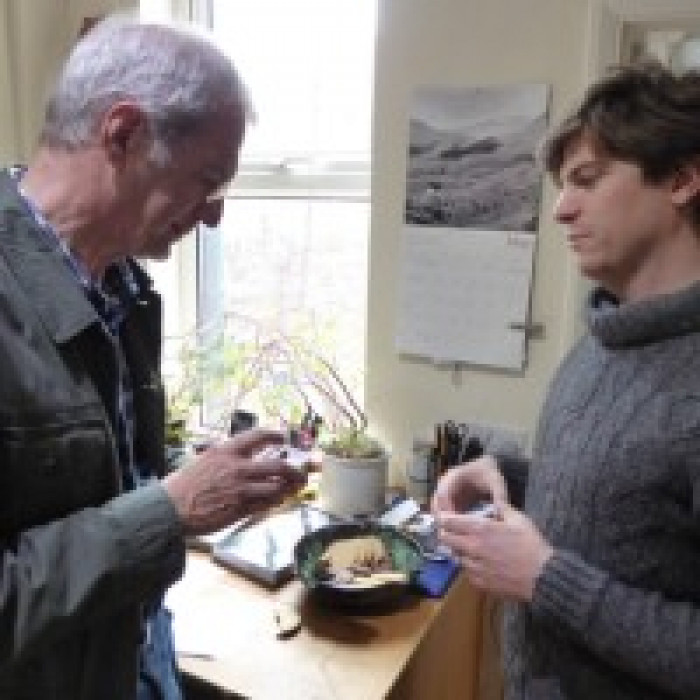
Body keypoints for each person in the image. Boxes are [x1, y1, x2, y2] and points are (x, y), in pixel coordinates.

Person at [0, 15, 306, 700]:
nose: (215, 215)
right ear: (124, 134)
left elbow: (94, 488)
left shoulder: (125, 293)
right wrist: (169, 511)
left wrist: (210, 481)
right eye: (208, 179)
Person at [432, 62, 700, 700]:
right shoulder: (605, 335)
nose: (560, 209)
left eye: (587, 180)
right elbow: (632, 505)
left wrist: (545, 578)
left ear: (684, 180)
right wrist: (509, 476)